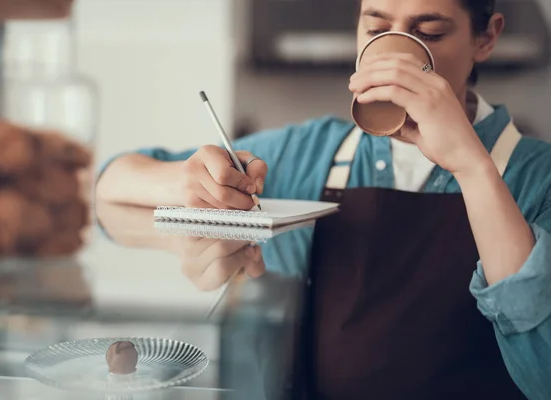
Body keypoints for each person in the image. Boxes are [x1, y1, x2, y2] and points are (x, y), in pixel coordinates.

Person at [96, 0, 551, 398]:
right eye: (376, 30)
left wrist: (473, 168)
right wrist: (191, 183)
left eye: (428, 33)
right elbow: (110, 185)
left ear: (486, 38)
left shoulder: (537, 177)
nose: (396, 55)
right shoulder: (312, 154)